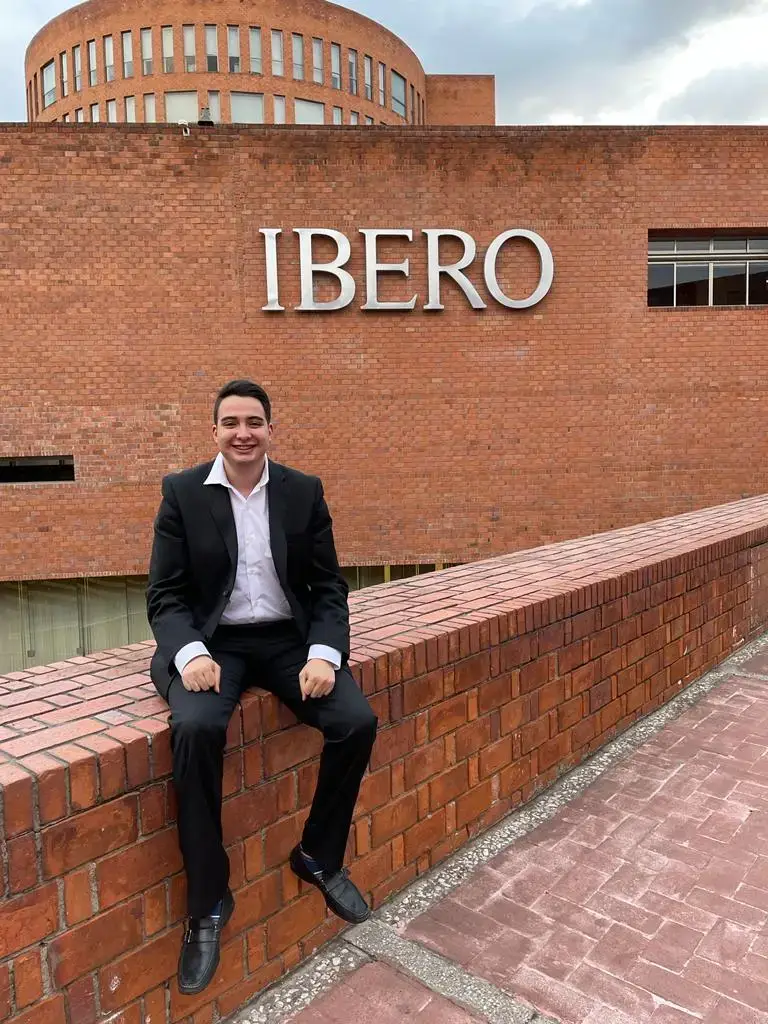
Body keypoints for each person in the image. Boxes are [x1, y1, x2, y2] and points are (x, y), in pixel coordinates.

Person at [146, 379, 378, 996]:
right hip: (213, 643)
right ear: (214, 431)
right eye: (231, 423)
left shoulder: (303, 491)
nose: (242, 433)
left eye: (254, 422)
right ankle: (208, 902)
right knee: (195, 729)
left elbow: (328, 587)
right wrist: (190, 652)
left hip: (285, 640)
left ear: (271, 429)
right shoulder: (181, 493)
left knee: (355, 721)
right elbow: (164, 594)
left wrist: (324, 653)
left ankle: (318, 856)